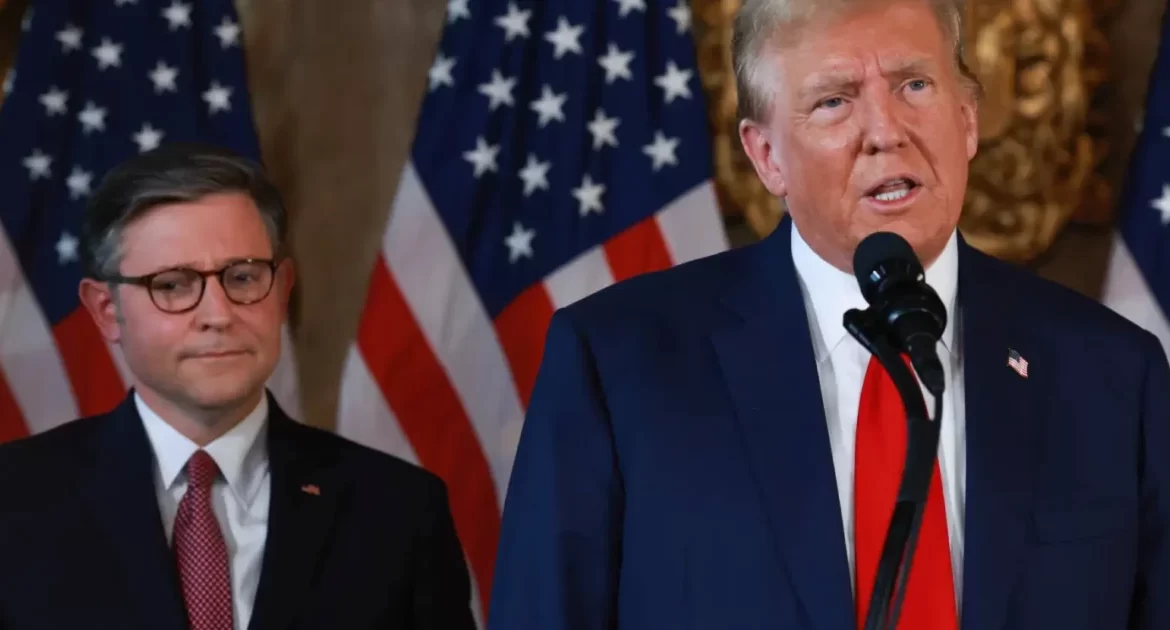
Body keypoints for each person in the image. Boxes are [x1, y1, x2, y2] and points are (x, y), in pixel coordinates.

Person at [487, 0, 1170, 628]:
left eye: (914, 85)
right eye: (834, 101)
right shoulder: (617, 364)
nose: (886, 132)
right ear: (766, 156)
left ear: (967, 120)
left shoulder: (1114, 374)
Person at [0, 144, 476, 630]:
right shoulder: (13, 501)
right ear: (107, 310)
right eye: (173, 285)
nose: (218, 315)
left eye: (243, 277)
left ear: (282, 288)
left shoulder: (398, 510)